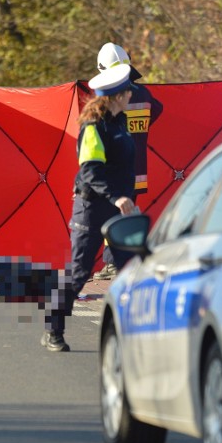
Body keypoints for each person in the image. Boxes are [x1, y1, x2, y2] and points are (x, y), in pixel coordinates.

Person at [42, 64, 137, 352]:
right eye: (128, 90)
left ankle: (130, 332)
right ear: (117, 96)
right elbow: (91, 171)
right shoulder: (94, 126)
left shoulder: (121, 122)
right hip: (92, 207)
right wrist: (116, 197)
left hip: (118, 208)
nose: (132, 93)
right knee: (81, 271)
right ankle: (53, 328)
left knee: (131, 270)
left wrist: (125, 199)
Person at [92, 42, 162, 280]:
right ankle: (125, 262)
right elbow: (158, 109)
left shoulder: (113, 97)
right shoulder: (144, 94)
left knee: (112, 216)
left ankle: (113, 263)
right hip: (138, 171)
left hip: (117, 171)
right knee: (124, 215)